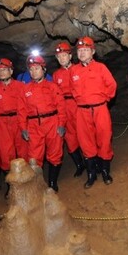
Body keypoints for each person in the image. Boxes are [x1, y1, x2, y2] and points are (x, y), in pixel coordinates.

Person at [69, 36, 117, 188]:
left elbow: (111, 85)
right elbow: (72, 90)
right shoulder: (74, 71)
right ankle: (91, 174)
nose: (82, 53)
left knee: (104, 138)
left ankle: (104, 171)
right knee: (85, 141)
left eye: (85, 50)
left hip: (100, 108)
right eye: (80, 50)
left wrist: (103, 99)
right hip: (82, 111)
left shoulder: (100, 68)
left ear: (93, 52)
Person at [20, 54, 67, 192]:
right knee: (34, 156)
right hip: (34, 125)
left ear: (43, 70)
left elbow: (61, 106)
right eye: (31, 69)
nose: (34, 71)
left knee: (55, 153)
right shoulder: (26, 89)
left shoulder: (52, 87)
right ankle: (38, 184)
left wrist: (61, 124)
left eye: (37, 68)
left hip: (52, 122)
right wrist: (23, 128)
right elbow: (21, 111)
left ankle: (52, 182)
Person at [0, 57, 27, 194]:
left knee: (23, 151)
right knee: (6, 154)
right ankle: (11, 186)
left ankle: (26, 182)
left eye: (5, 70)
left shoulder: (21, 86)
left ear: (11, 71)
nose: (2, 73)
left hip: (19, 120)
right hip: (3, 123)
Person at [52, 41, 85, 178]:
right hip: (64, 107)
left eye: (64, 55)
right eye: (59, 56)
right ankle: (79, 164)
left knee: (84, 133)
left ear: (70, 56)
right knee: (69, 138)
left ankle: (92, 162)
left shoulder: (79, 68)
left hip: (78, 104)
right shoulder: (56, 75)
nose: (62, 58)